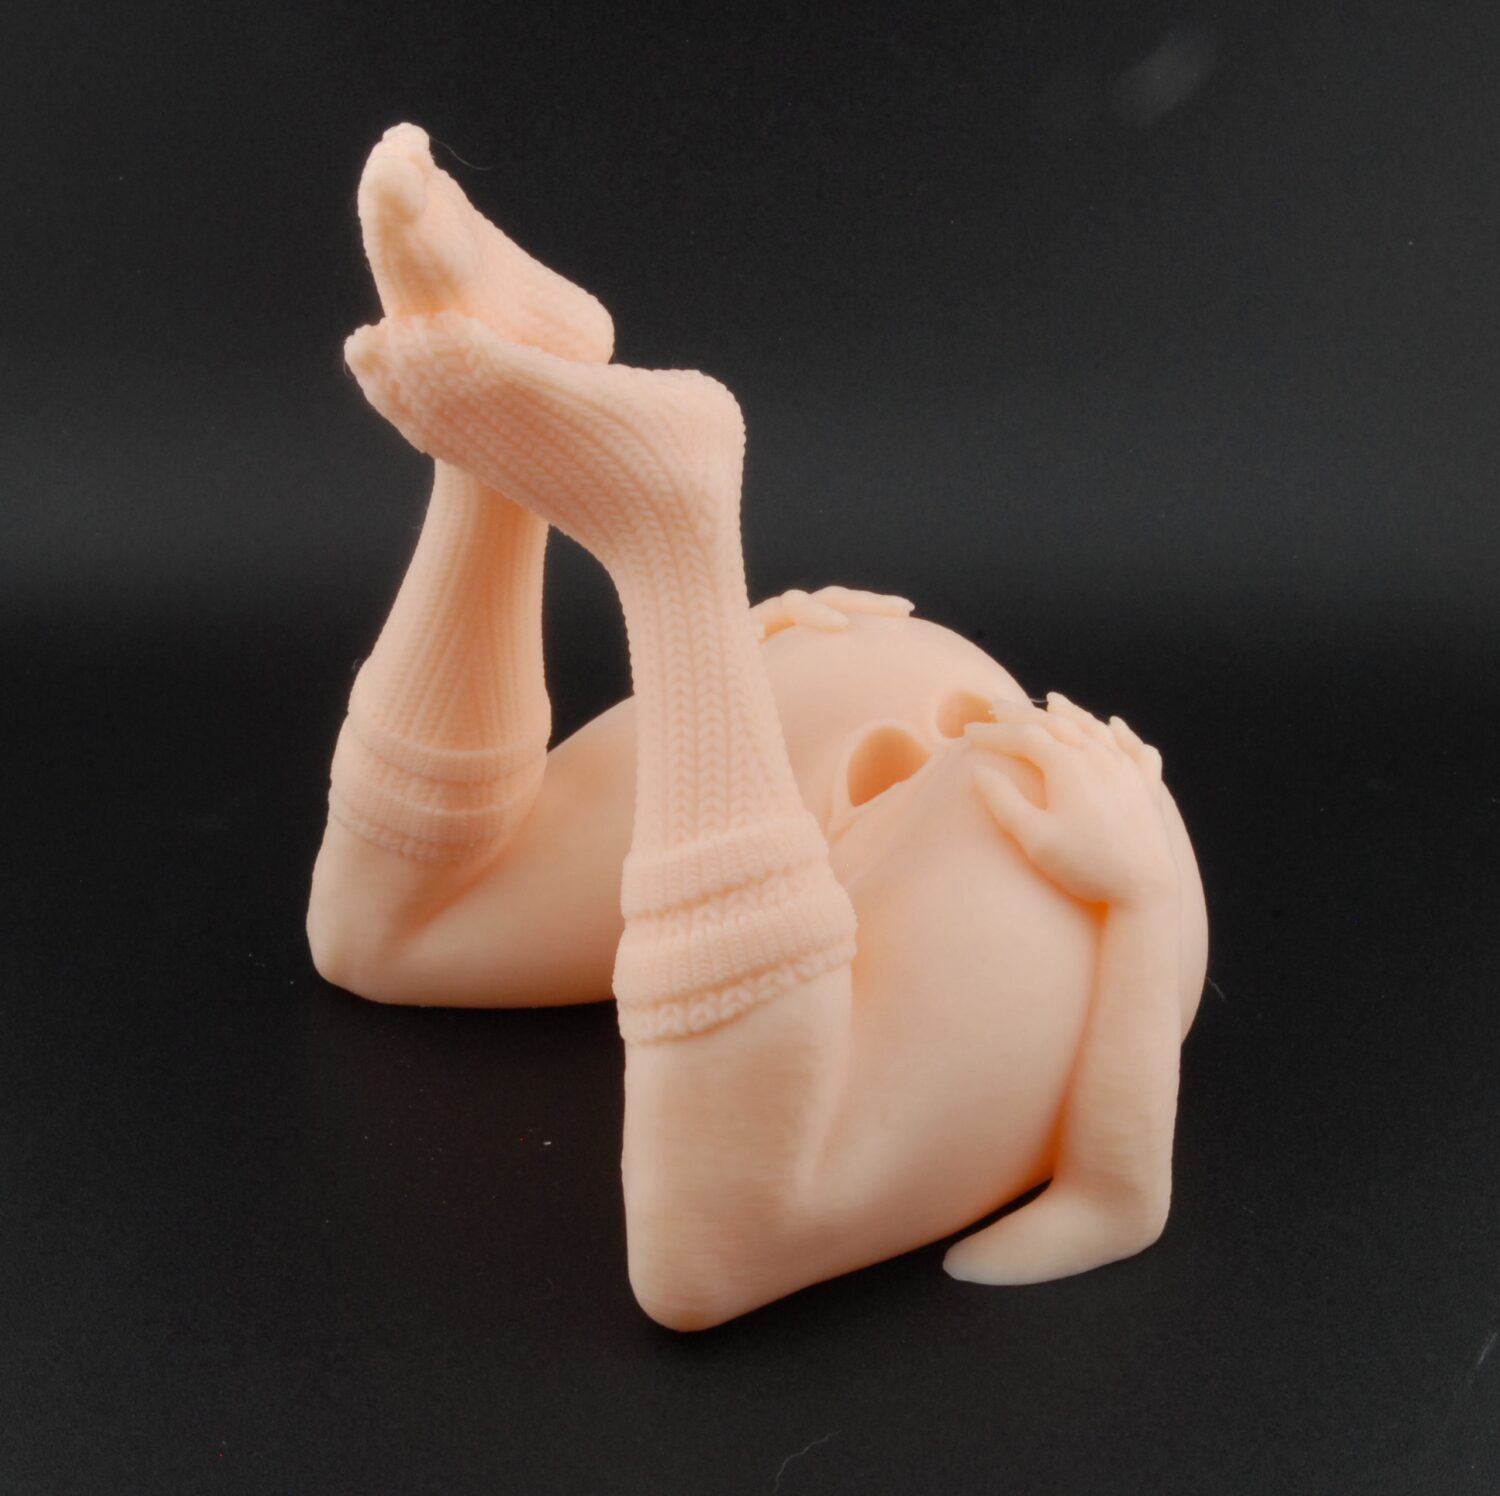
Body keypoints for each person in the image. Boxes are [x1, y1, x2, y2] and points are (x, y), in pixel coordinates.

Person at [307, 124, 1209, 1330]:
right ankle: (661, 540)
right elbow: (1120, 1185)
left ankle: (542, 429)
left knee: (389, 931)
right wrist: (1141, 907)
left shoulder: (1077, 890)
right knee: (715, 1242)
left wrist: (1139, 908)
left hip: (990, 783)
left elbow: (1123, 1191)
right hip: (1046, 841)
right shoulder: (1087, 904)